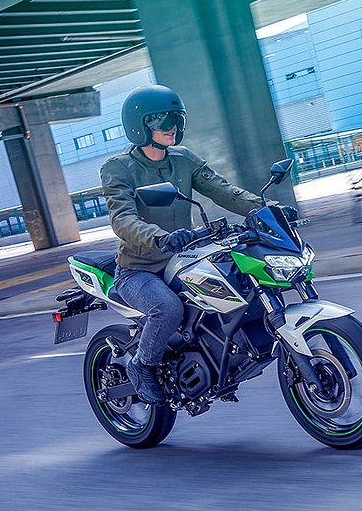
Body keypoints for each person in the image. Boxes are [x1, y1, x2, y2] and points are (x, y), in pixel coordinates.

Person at [100, 84, 298, 404]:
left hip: (186, 255)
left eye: (176, 119)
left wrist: (265, 210)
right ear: (140, 126)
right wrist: (160, 237)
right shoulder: (119, 168)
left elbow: (223, 190)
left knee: (240, 284)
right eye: (162, 121)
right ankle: (142, 365)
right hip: (140, 269)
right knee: (167, 308)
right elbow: (121, 218)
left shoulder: (183, 159)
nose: (172, 127)